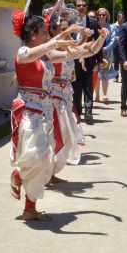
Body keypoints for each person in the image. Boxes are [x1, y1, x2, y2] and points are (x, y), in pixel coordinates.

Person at [9, 12, 81, 221]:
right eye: (43, 32)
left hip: (45, 112)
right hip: (29, 111)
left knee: (46, 160)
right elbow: (30, 55)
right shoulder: (23, 52)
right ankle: (17, 175)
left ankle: (29, 208)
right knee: (36, 154)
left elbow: (70, 55)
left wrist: (92, 43)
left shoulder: (45, 55)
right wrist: (57, 40)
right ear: (32, 35)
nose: (46, 36)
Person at [48, 13, 108, 183]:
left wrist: (101, 37)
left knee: (68, 136)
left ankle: (51, 172)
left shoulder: (69, 49)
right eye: (63, 29)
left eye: (68, 29)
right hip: (52, 100)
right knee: (55, 136)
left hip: (65, 98)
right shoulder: (48, 50)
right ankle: (45, 173)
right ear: (53, 32)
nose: (68, 32)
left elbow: (91, 50)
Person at [71, 0, 102, 124]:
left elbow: (99, 41)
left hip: (89, 59)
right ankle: (77, 112)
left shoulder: (93, 22)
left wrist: (99, 59)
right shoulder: (70, 22)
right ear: (75, 7)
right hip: (74, 59)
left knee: (88, 86)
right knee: (76, 87)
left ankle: (88, 112)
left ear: (87, 7)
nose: (81, 7)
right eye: (79, 5)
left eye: (84, 5)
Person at [95, 8, 119, 103]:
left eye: (103, 14)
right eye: (100, 14)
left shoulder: (111, 27)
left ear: (107, 16)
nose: (101, 16)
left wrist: (105, 48)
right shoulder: (94, 25)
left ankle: (105, 95)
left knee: (105, 74)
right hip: (95, 52)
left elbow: (113, 40)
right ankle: (97, 96)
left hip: (107, 53)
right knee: (96, 73)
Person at [113, 12, 125, 83]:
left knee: (123, 62)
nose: (122, 20)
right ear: (118, 18)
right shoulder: (113, 26)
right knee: (116, 62)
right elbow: (111, 36)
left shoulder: (125, 26)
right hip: (115, 46)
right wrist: (118, 38)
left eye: (123, 18)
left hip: (123, 47)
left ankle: (123, 77)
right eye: (121, 18)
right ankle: (116, 77)